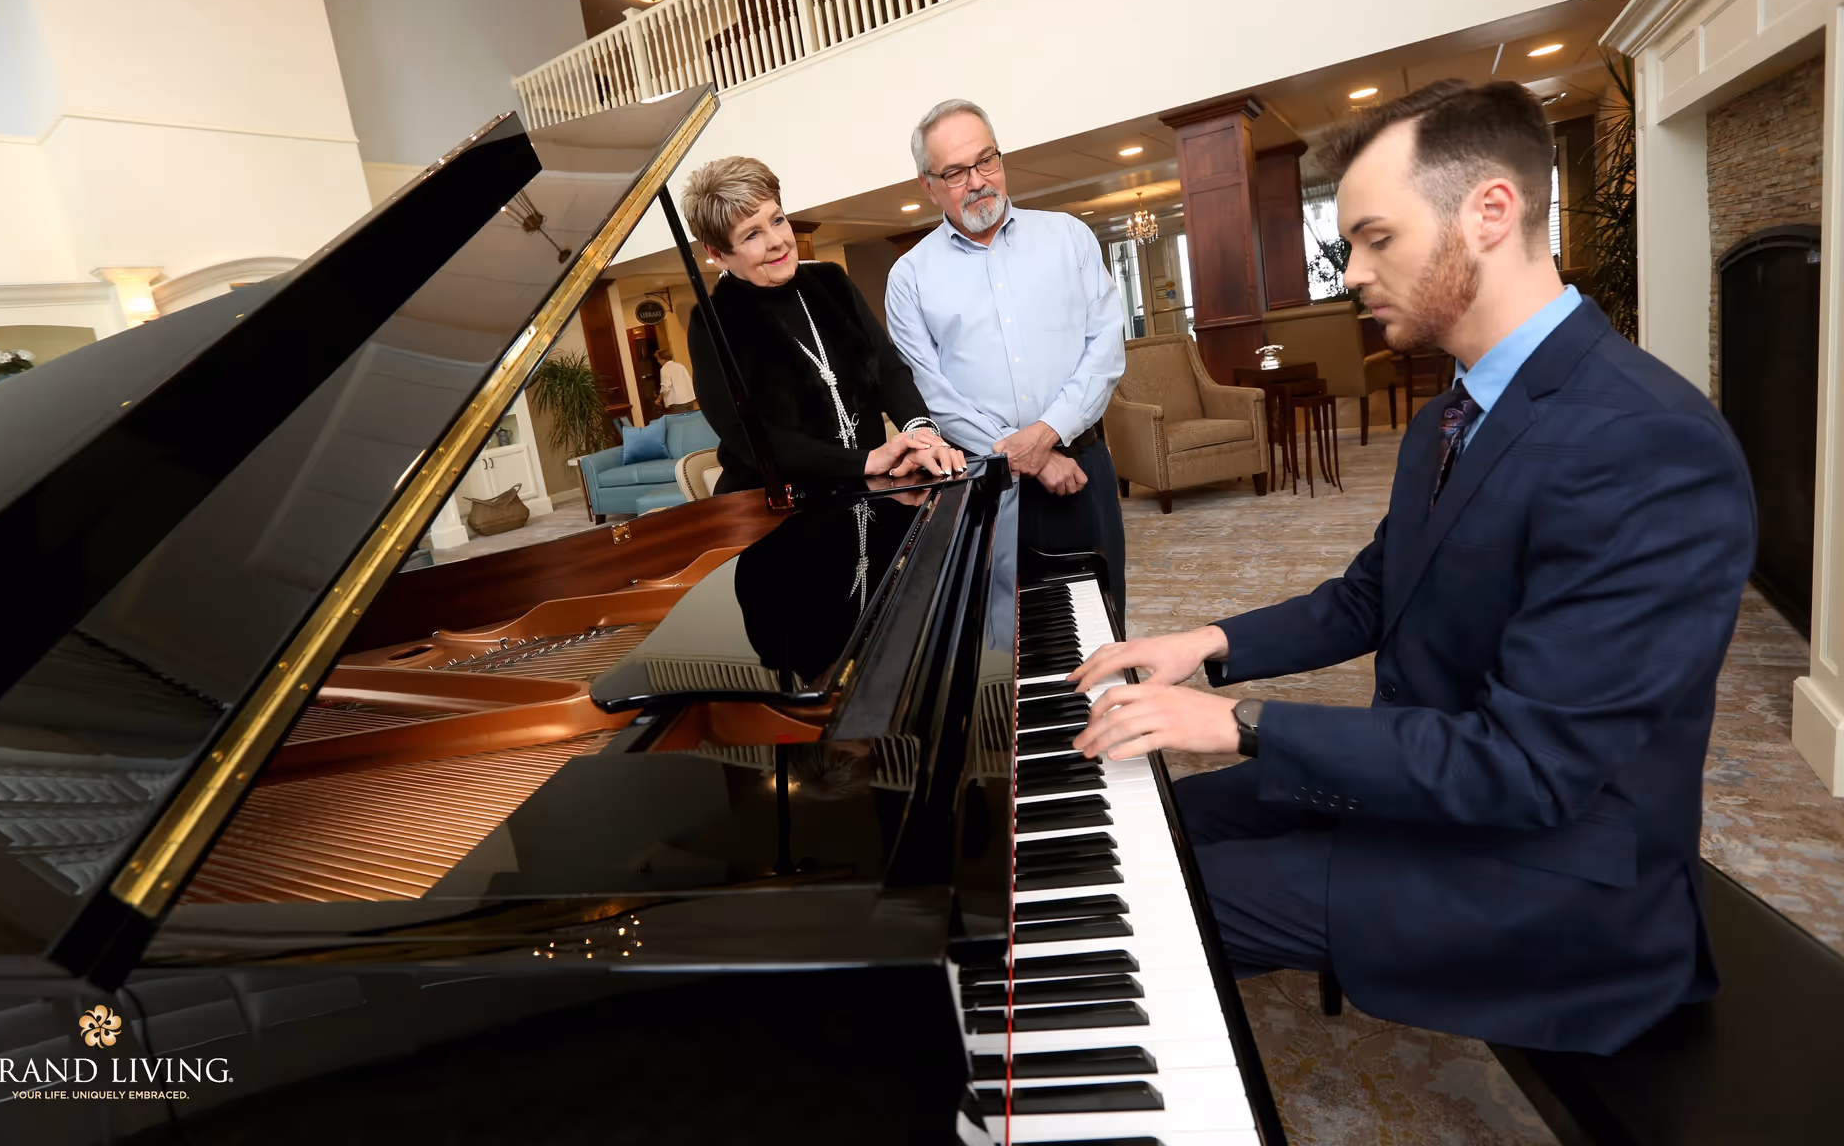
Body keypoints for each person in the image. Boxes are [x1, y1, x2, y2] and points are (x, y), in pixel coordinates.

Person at [1068, 79, 1755, 1056]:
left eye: (1375, 237)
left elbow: (1529, 769)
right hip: (1437, 788)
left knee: (1146, 899)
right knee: (1158, 820)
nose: (1351, 270)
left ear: (1489, 211)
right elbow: (1372, 594)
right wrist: (1206, 646)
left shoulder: (1649, 446)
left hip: (1558, 875)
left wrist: (1239, 723)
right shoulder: (1448, 414)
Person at [886, 99, 1129, 610]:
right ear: (928, 186)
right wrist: (1032, 461)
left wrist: (1047, 436)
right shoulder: (908, 278)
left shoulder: (1069, 236)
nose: (977, 181)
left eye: (986, 160)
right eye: (954, 172)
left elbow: (1104, 350)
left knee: (1102, 623)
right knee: (997, 643)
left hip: (1080, 470)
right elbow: (933, 392)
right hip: (981, 488)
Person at [681, 156, 966, 495]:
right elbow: (748, 435)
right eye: (753, 234)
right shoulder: (712, 324)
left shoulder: (832, 283)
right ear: (718, 253)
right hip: (782, 507)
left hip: (872, 490)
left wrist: (921, 433)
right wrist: (864, 462)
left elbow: (888, 370)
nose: (776, 241)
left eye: (778, 220)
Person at [656, 348, 696, 413]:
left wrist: (659, 399)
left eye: (658, 359)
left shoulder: (664, 369)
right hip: (689, 399)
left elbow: (665, 388)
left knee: (680, 422)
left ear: (662, 359)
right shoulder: (680, 366)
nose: (658, 361)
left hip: (677, 402)